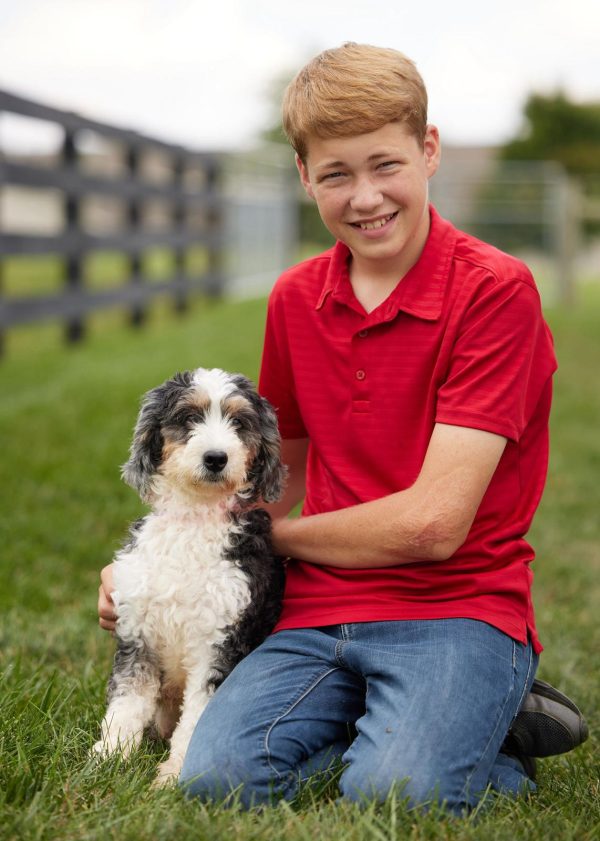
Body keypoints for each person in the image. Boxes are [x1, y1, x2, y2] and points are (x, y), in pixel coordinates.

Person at [98, 43, 587, 813]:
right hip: (318, 605)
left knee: (396, 790)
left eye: (384, 164)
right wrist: (160, 573)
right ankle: (429, 722)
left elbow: (433, 525)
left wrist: (263, 540)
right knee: (212, 777)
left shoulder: (495, 292)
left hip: (456, 605)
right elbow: (269, 479)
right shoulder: (295, 298)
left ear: (428, 151)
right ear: (304, 177)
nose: (365, 196)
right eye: (336, 174)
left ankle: (478, 722)